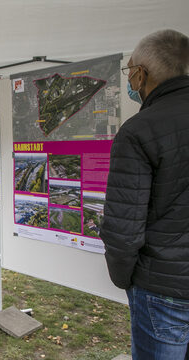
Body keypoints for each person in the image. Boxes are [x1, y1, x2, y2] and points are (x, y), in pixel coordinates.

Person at [101, 29, 189, 359]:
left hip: (161, 290)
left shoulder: (139, 131)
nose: (130, 79)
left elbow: (123, 230)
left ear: (141, 73)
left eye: (129, 71)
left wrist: (126, 279)